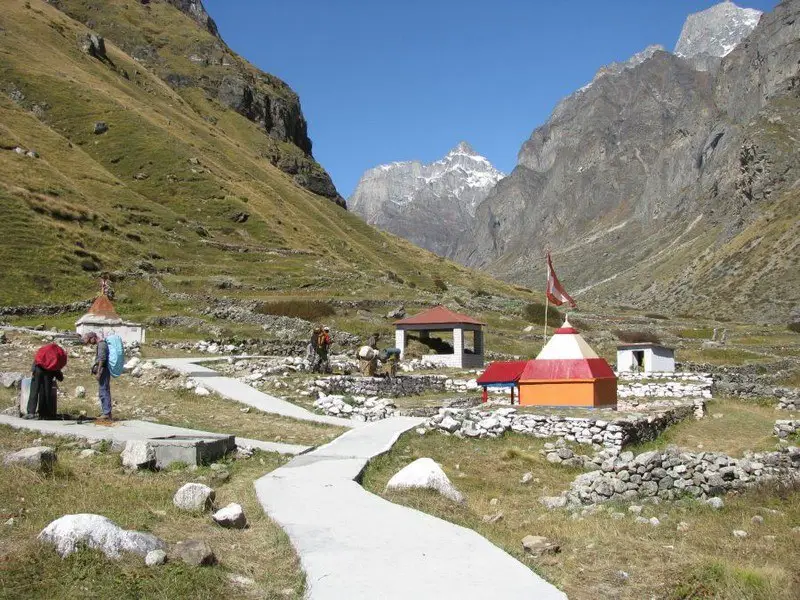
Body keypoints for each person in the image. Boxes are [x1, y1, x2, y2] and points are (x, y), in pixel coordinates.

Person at [25, 342, 67, 420]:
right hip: (49, 372)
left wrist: (33, 370)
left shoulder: (44, 350)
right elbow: (56, 367)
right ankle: (44, 413)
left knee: (34, 391)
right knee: (46, 392)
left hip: (38, 369)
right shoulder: (57, 354)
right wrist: (60, 377)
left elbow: (37, 359)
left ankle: (31, 412)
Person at [82, 332, 112, 421]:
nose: (91, 343)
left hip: (103, 370)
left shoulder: (101, 345)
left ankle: (106, 413)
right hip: (104, 370)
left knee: (103, 391)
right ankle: (106, 413)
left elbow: (102, 359)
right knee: (103, 390)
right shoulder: (101, 344)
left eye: (90, 341)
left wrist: (98, 372)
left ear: (93, 338)